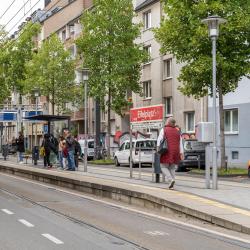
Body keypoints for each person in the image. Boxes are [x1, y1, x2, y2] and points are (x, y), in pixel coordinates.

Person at [157, 117, 184, 189]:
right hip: (176, 151)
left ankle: (170, 179)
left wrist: (158, 148)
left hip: (167, 151)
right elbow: (180, 142)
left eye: (166, 121)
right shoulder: (177, 131)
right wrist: (181, 153)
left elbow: (159, 140)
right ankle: (171, 185)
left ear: (168, 122)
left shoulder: (164, 129)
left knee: (163, 166)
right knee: (172, 167)